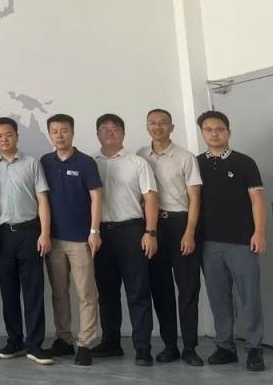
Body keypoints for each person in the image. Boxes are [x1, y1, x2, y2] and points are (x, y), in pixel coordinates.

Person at [196, 109, 266, 372]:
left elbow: (257, 200)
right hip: (208, 242)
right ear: (202, 133)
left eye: (220, 129)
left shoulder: (244, 162)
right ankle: (225, 346)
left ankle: (255, 348)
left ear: (228, 132)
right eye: (209, 129)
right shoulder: (196, 164)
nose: (214, 134)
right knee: (218, 297)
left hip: (242, 242)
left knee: (250, 296)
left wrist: (259, 232)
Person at [137, 108, 203, 366]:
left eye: (163, 123)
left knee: (188, 289)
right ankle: (170, 345)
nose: (157, 127)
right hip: (154, 227)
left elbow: (195, 198)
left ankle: (190, 347)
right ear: (147, 127)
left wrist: (190, 232)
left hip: (180, 224)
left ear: (172, 127)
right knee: (161, 288)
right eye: (152, 123)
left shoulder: (185, 157)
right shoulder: (141, 156)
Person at [92, 113, 158, 367]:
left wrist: (150, 232)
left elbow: (150, 198)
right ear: (97, 134)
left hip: (132, 232)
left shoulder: (138, 162)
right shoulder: (90, 163)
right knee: (106, 292)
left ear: (123, 133)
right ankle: (111, 343)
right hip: (101, 234)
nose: (109, 133)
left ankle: (143, 347)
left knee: (137, 291)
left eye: (115, 129)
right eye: (104, 129)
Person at [0, 117, 53, 365]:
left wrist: (44, 233)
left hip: (30, 233)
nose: (4, 139)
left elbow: (43, 200)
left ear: (17, 136)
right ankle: (14, 341)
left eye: (8, 134)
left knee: (33, 291)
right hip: (2, 236)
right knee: (9, 291)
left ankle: (34, 345)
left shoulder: (32, 163)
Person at [40, 113, 102, 367]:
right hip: (53, 239)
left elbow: (96, 197)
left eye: (64, 130)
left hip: (81, 240)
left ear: (72, 132)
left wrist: (94, 231)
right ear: (49, 135)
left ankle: (86, 343)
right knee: (59, 292)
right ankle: (64, 339)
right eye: (54, 131)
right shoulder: (45, 162)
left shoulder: (86, 162)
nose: (59, 135)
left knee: (86, 293)